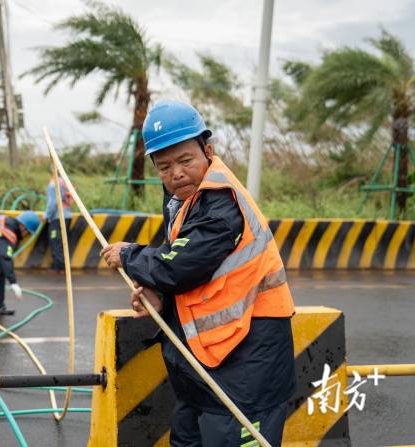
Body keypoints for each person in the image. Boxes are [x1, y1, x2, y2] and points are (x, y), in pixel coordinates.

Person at [100, 100, 296, 447]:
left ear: (208, 150)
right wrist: (159, 297)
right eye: (164, 167)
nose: (175, 173)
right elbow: (198, 276)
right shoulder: (184, 202)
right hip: (206, 368)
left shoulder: (220, 201)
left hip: (247, 364)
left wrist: (130, 255)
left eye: (185, 160)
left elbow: (180, 265)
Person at [45, 170, 73, 273]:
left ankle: (59, 266)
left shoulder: (53, 184)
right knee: (62, 241)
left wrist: (47, 215)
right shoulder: (64, 182)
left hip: (58, 217)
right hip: (68, 216)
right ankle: (62, 265)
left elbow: (53, 203)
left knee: (55, 240)